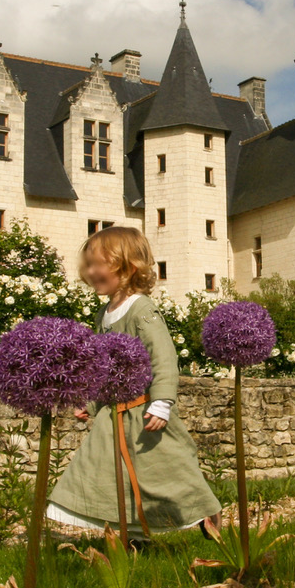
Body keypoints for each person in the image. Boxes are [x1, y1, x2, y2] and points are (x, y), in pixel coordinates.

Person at [46, 226, 221, 542]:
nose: (91, 271)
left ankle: (206, 510)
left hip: (145, 411)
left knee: (170, 469)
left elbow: (163, 357)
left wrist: (162, 402)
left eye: (99, 264)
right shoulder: (104, 314)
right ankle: (133, 531)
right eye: (89, 265)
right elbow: (103, 366)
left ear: (127, 266)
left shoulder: (142, 309)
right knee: (106, 469)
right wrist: (90, 402)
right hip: (114, 416)